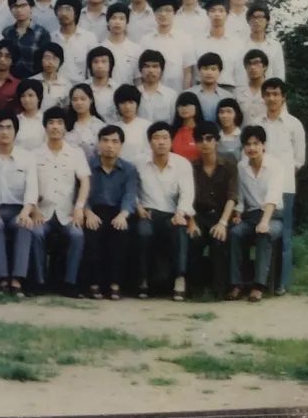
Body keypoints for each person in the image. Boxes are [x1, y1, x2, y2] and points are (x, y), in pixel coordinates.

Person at [30, 106, 90, 297]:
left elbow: (85, 181)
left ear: (65, 127)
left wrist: (79, 207)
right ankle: (39, 282)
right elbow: (30, 185)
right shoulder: (34, 154)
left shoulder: (76, 153)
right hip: (42, 212)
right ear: (45, 126)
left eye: (59, 123)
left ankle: (70, 283)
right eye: (51, 123)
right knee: (36, 233)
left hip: (67, 212)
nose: (55, 127)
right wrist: (34, 209)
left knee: (77, 235)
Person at [0, 110, 38, 297]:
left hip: (18, 210)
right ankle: (2, 278)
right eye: (0, 127)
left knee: (24, 224)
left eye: (9, 127)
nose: (4, 132)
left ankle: (17, 279)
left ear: (15, 131)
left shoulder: (27, 157)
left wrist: (26, 211)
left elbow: (32, 188)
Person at [135, 122, 194, 301]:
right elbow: (131, 189)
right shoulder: (138, 162)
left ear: (171, 141)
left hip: (172, 214)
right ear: (149, 142)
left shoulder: (182, 164)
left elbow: (187, 193)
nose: (161, 142)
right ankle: (143, 279)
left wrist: (180, 212)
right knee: (143, 232)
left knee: (179, 230)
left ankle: (180, 278)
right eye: (156, 138)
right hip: (148, 213)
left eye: (165, 138)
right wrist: (137, 206)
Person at [259, 78, 305, 295]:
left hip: (285, 187)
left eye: (276, 94)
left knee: (284, 236)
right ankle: (260, 281)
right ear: (263, 97)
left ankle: (282, 284)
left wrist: (280, 181)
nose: (272, 98)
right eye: (268, 94)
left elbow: (299, 160)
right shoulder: (257, 123)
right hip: (260, 189)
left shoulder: (294, 124)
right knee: (262, 232)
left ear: (283, 97)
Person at [228, 126, 284, 302]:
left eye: (256, 143)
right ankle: (237, 284)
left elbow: (273, 197)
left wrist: (265, 221)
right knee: (235, 233)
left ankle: (258, 286)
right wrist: (237, 213)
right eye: (248, 144)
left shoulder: (275, 165)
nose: (252, 148)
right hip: (250, 216)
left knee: (263, 234)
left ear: (263, 145)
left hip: (273, 215)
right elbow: (240, 197)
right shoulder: (241, 167)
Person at [84, 125, 138, 300]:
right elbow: (80, 193)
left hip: (118, 211)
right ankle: (94, 283)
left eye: (115, 141)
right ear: (99, 143)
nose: (109, 145)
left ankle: (115, 283)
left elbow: (130, 194)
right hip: (94, 210)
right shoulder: (88, 166)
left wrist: (123, 214)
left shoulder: (129, 169)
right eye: (105, 140)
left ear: (121, 145)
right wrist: (87, 212)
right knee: (92, 234)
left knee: (120, 234)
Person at [187, 121, 237, 298]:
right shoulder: (191, 167)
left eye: (209, 139)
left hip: (222, 215)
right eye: (200, 140)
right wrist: (191, 222)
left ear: (216, 140)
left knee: (219, 240)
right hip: (199, 215)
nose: (205, 143)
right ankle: (195, 289)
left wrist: (223, 223)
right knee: (193, 239)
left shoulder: (229, 163)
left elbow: (232, 196)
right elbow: (187, 198)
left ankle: (220, 289)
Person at [139, 0, 194, 91]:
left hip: (177, 92)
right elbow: (141, 72)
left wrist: (185, 94)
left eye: (168, 10)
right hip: (151, 93)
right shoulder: (146, 40)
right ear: (154, 13)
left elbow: (188, 73)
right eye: (159, 10)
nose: (163, 14)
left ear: (175, 13)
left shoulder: (185, 39)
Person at [195, 0, 246, 88]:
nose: (217, 14)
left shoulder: (237, 43)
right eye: (213, 11)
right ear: (207, 14)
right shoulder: (198, 41)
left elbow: (240, 72)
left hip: (228, 88)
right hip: (202, 87)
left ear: (227, 14)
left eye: (221, 11)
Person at [1, 0, 50, 79]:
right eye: (15, 6)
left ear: (31, 7)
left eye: (23, 5)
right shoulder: (6, 32)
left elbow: (45, 61)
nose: (19, 10)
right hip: (9, 81)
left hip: (33, 81)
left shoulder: (41, 33)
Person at [51, 0, 96, 86]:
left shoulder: (89, 38)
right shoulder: (51, 37)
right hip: (56, 87)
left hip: (80, 88)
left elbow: (93, 68)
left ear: (76, 13)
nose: (63, 13)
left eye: (68, 9)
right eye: (60, 9)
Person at [104, 3, 142, 89]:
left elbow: (138, 80)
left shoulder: (136, 49)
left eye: (122, 18)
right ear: (108, 21)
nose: (117, 22)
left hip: (128, 95)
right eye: (113, 18)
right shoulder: (100, 48)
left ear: (127, 22)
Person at [113, 84, 152, 167]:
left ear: (137, 104)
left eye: (131, 102)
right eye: (123, 103)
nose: (127, 106)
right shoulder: (113, 128)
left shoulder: (147, 126)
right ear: (117, 105)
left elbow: (150, 152)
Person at [64, 84, 104, 161]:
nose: (79, 103)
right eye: (75, 99)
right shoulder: (65, 125)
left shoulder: (99, 126)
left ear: (91, 100)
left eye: (83, 99)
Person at [245, 4, 285, 80]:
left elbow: (279, 73)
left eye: (260, 17)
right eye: (253, 17)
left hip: (269, 86)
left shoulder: (275, 46)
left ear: (267, 21)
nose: (256, 21)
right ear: (248, 21)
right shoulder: (240, 44)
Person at [137, 49, 176, 124]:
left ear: (162, 70)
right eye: (147, 66)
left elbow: (173, 122)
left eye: (155, 66)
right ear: (140, 69)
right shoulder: (134, 93)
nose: (151, 70)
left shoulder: (171, 95)